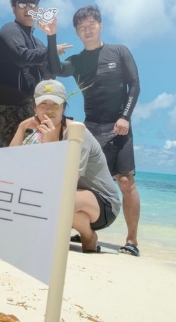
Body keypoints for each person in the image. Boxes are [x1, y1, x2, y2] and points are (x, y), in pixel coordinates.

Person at [38, 5, 142, 257]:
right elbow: (55, 68)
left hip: (118, 125)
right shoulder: (77, 61)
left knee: (125, 181)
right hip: (92, 127)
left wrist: (125, 117)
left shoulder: (119, 51)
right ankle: (82, 225)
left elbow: (135, 85)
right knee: (85, 179)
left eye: (91, 25)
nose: (87, 30)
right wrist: (51, 36)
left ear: (100, 25)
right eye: (81, 27)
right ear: (77, 32)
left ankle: (132, 240)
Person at [10, 79, 121, 253]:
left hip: (103, 205)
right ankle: (72, 229)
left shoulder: (77, 132)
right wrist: (21, 127)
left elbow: (68, 181)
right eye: (43, 104)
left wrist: (48, 146)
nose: (49, 109)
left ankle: (88, 236)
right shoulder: (39, 134)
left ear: (63, 107)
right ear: (35, 108)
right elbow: (11, 165)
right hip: (70, 200)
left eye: (55, 104)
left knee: (55, 200)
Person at [0, 0, 53, 147]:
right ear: (14, 8)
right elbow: (21, 57)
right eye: (22, 4)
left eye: (32, 5)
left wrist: (52, 44)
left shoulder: (38, 42)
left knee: (33, 153)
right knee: (16, 154)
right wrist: (51, 51)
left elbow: (49, 76)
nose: (28, 9)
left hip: (30, 106)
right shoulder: (10, 29)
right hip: (7, 105)